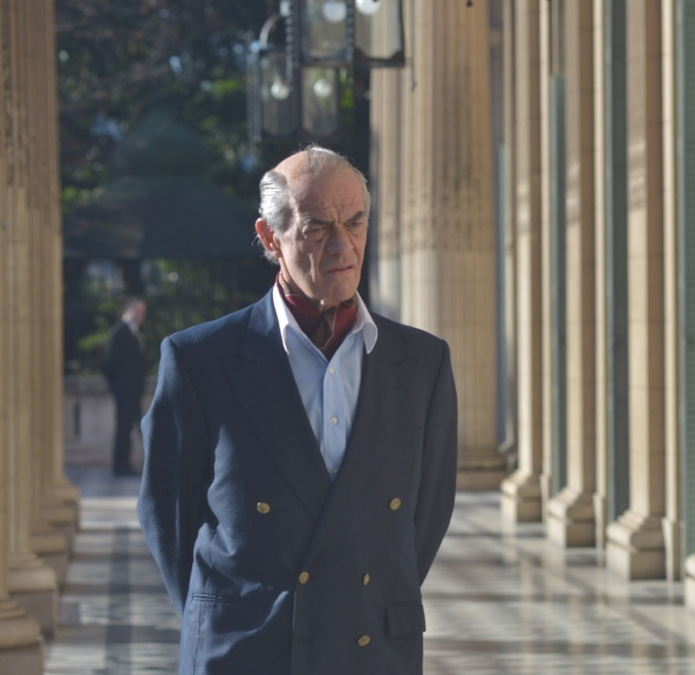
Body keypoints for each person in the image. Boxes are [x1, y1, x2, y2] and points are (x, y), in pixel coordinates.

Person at [138, 146, 458, 674]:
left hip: (372, 650)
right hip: (245, 652)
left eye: (355, 222)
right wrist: (230, 614)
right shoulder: (198, 360)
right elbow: (167, 516)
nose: (342, 244)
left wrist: (358, 603)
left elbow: (427, 514)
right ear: (270, 238)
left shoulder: (423, 363)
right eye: (317, 228)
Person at [103, 296, 148, 477]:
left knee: (131, 428)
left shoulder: (136, 332)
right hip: (124, 391)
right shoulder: (120, 332)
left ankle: (125, 464)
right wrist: (117, 387)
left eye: (142, 312)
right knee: (123, 429)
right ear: (127, 310)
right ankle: (120, 466)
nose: (140, 315)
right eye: (137, 311)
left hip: (134, 391)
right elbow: (109, 364)